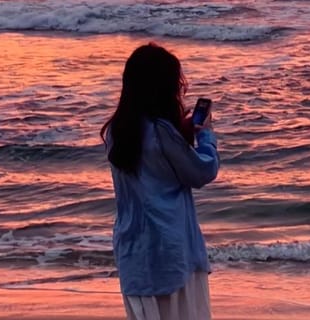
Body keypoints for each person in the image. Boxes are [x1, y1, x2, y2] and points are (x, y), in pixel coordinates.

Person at [100, 43, 219, 320]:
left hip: (134, 253)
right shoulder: (161, 133)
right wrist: (205, 136)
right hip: (170, 250)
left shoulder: (117, 131)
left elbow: (155, 167)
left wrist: (181, 134)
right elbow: (203, 171)